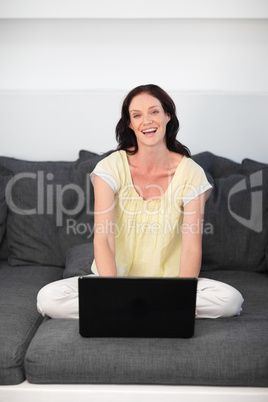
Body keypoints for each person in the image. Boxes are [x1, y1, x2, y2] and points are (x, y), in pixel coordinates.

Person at [37, 84, 244, 319]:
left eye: (154, 112)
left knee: (230, 301)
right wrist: (113, 292)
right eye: (137, 115)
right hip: (114, 281)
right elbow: (104, 237)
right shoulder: (110, 167)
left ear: (168, 115)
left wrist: (182, 295)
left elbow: (191, 247)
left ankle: (134, 311)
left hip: (170, 285)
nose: (147, 121)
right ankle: (147, 310)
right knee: (49, 299)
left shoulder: (191, 173)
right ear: (129, 123)